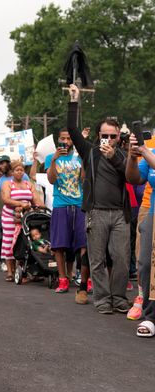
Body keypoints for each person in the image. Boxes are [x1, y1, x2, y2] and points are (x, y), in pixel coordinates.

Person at [67, 84, 130, 314]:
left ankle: (120, 298)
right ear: (98, 136)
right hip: (97, 213)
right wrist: (74, 101)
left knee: (122, 259)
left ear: (118, 137)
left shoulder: (123, 154)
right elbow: (72, 130)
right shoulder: (90, 152)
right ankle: (103, 300)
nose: (109, 139)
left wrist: (114, 157)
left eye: (113, 136)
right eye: (105, 135)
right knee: (97, 260)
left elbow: (131, 175)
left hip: (120, 215)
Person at [45, 128, 88, 302]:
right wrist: (55, 159)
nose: (66, 141)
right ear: (58, 140)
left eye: (69, 138)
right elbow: (51, 180)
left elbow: (84, 179)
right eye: (63, 138)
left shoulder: (79, 156)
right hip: (60, 204)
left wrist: (83, 158)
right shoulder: (51, 157)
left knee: (83, 243)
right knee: (59, 244)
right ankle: (63, 279)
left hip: (79, 204)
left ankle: (86, 279)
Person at [126, 133, 155, 336]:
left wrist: (144, 151)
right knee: (146, 264)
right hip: (153, 213)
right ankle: (151, 316)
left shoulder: (149, 152)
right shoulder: (151, 150)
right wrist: (132, 157)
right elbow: (133, 178)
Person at [0, 161, 43, 282]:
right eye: (16, 170)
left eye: (21, 170)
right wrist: (21, 204)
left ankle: (24, 270)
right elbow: (6, 199)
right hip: (9, 216)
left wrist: (42, 206)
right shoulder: (7, 183)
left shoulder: (28, 184)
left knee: (24, 241)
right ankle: (10, 271)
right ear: (12, 172)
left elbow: (36, 200)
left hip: (26, 216)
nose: (19, 172)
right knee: (9, 241)